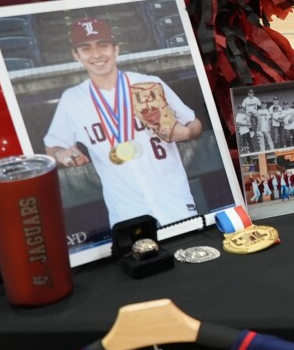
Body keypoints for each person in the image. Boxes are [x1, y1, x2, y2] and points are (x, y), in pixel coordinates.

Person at [44, 17, 204, 228]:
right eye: (86, 48)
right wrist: (61, 154)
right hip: (126, 211)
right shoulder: (72, 100)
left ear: (116, 49)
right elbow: (52, 147)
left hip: (173, 199)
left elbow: (195, 124)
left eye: (102, 45)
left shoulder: (149, 83)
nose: (96, 55)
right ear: (76, 55)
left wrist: (186, 134)